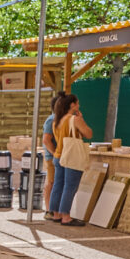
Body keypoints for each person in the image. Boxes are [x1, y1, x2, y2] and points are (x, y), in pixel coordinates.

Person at [48, 96, 93, 225]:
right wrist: (81, 119)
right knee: (70, 186)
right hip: (71, 157)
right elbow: (89, 134)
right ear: (72, 105)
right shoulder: (74, 119)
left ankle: (56, 214)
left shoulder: (56, 121)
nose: (79, 106)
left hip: (58, 155)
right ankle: (66, 217)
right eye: (77, 103)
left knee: (58, 185)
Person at [41, 92, 74, 216]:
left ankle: (54, 210)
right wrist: (56, 154)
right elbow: (46, 140)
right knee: (51, 182)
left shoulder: (61, 119)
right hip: (53, 157)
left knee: (55, 183)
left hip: (58, 156)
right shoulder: (52, 119)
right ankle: (49, 210)